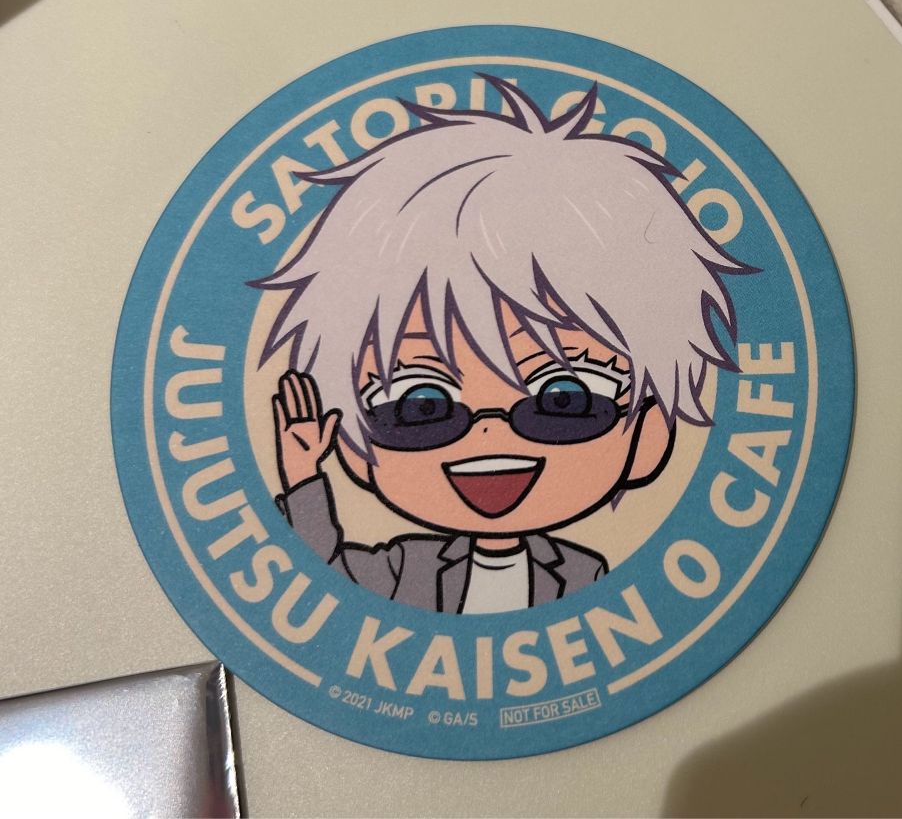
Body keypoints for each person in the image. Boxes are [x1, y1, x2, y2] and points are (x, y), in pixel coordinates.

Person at [256, 77, 748, 613]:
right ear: (354, 445)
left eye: (563, 400)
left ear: (648, 437)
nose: (490, 432)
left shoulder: (585, 575)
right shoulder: (403, 568)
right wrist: (302, 476)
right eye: (421, 406)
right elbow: (323, 584)